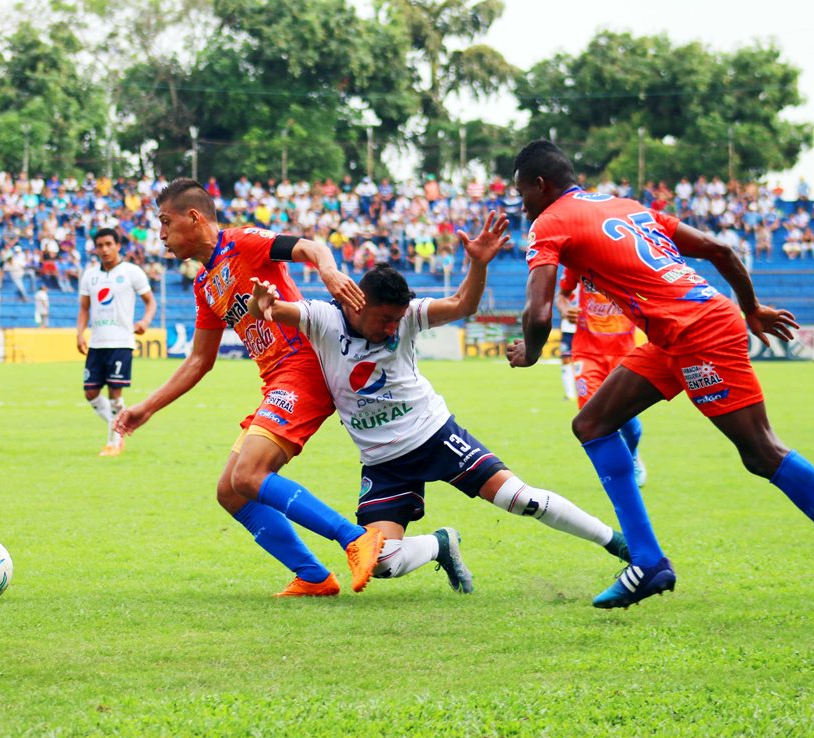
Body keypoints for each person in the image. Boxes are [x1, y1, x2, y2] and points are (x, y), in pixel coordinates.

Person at [506, 139, 814, 626]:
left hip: (699, 334)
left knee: (762, 453)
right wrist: (751, 308)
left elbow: (538, 313)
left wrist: (531, 353)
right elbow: (719, 249)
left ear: (541, 186)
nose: (522, 207)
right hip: (677, 333)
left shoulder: (549, 222)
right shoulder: (626, 207)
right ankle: (647, 562)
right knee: (592, 424)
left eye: (522, 195)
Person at [247, 223, 630, 595]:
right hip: (382, 461)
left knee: (519, 499)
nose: (393, 328)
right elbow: (273, 310)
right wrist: (260, 304)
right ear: (358, 304)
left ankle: (616, 542)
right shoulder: (322, 318)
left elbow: (464, 303)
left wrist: (478, 264)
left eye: (398, 319)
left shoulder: (409, 316)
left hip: (434, 435)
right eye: (385, 320)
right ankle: (440, 545)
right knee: (382, 562)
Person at [114, 178, 384, 598]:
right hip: (277, 380)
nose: (161, 235)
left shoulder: (242, 243)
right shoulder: (205, 285)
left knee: (250, 474)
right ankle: (313, 576)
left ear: (194, 217)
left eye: (165, 223)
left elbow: (308, 247)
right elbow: (200, 360)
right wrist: (146, 408)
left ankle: (355, 537)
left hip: (303, 369)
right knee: (230, 491)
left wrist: (329, 272)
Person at [556, 270, 646, 487]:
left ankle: (632, 454)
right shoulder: (577, 262)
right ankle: (618, 471)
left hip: (623, 352)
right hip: (587, 352)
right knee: (593, 416)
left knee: (624, 416)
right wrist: (565, 308)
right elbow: (562, 295)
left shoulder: (628, 261)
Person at [76, 228, 157, 457]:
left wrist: (145, 321)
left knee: (115, 395)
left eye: (108, 244)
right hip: (97, 342)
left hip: (121, 342)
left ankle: (115, 441)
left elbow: (150, 302)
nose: (104, 249)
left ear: (118, 245)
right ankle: (118, 425)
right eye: (100, 245)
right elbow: (84, 308)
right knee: (90, 392)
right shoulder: (90, 275)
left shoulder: (132, 272)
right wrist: (80, 333)